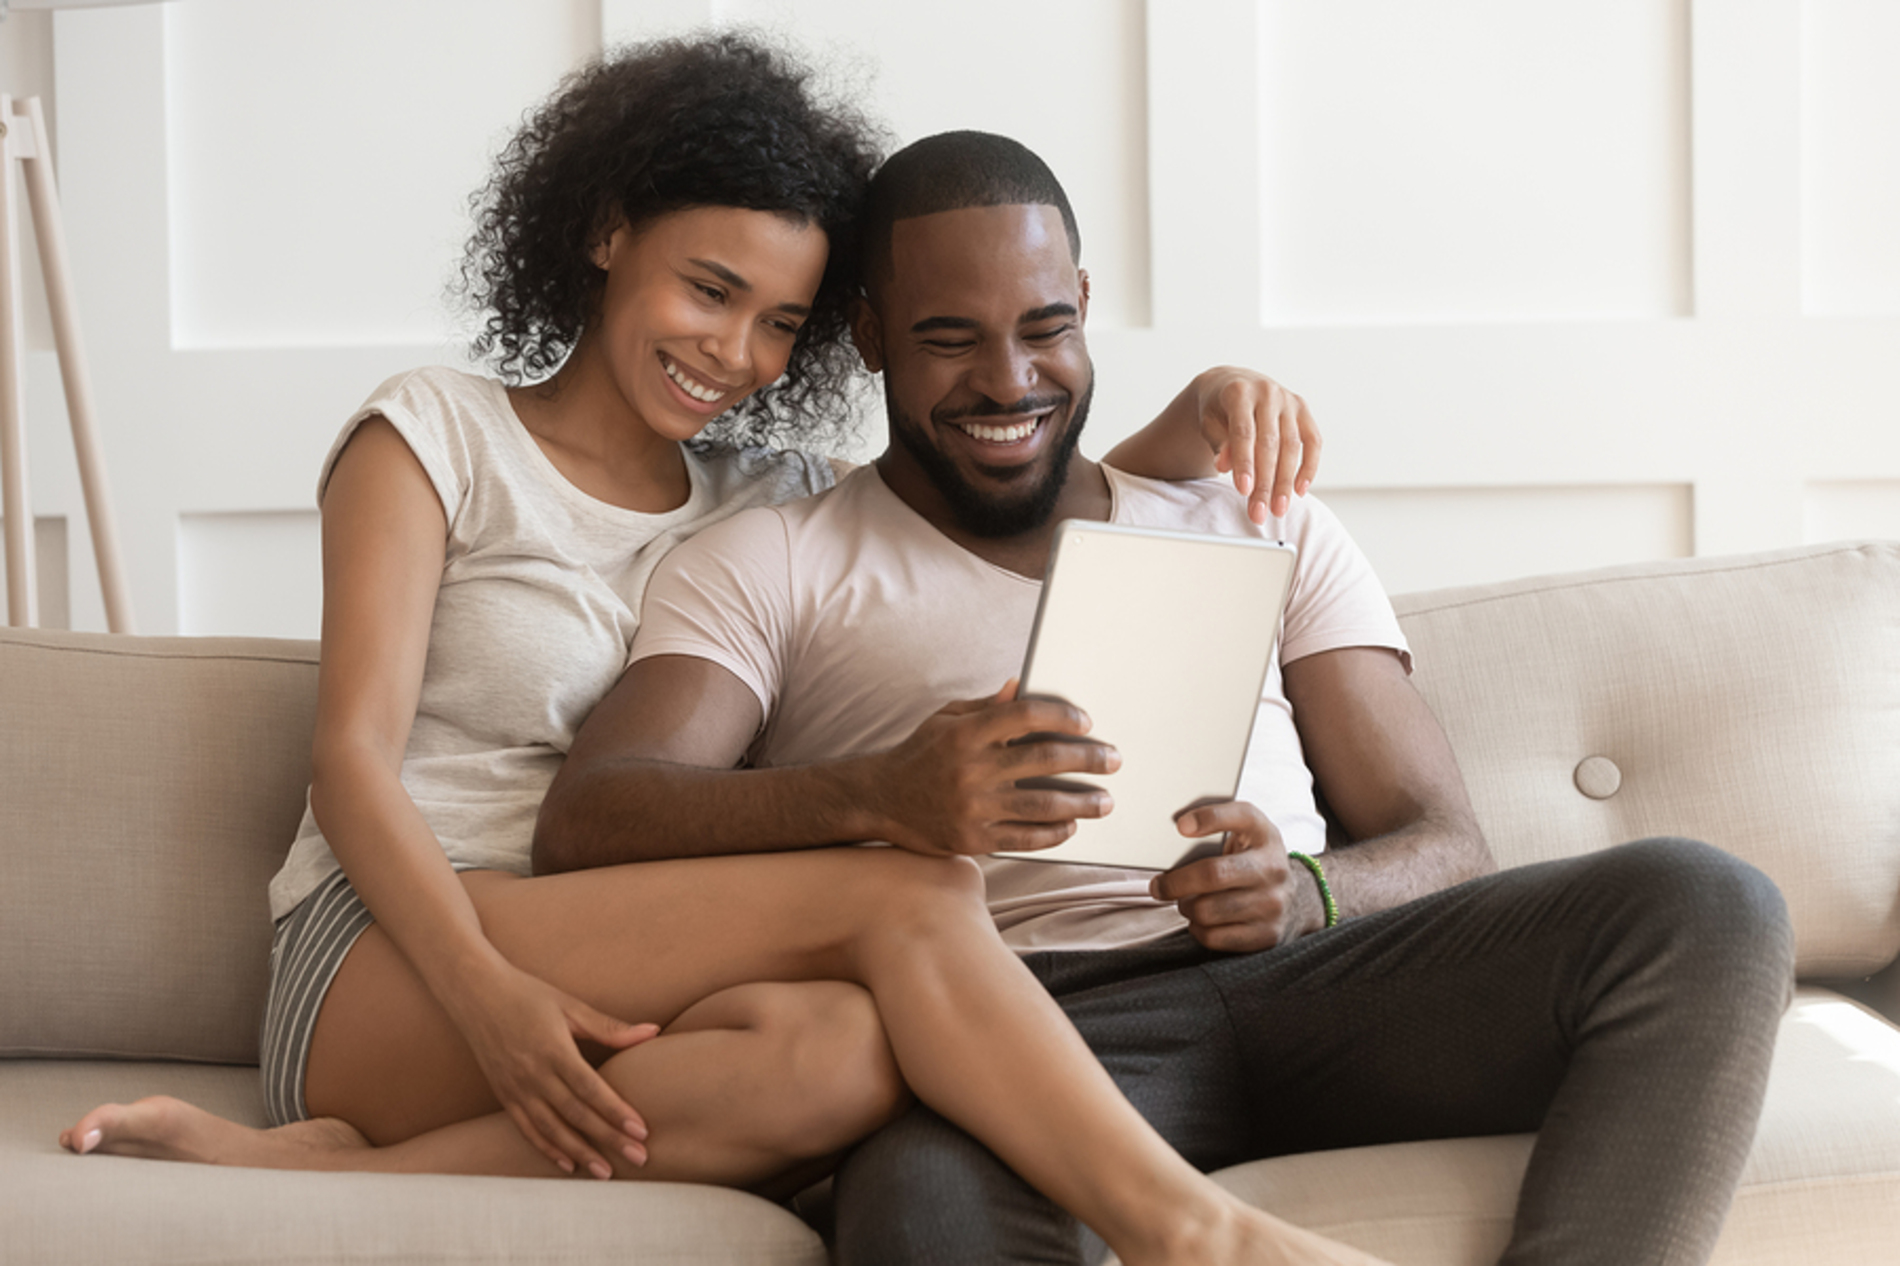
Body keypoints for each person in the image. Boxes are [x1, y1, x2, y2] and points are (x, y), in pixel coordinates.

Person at [58, 34, 1385, 1266]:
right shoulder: (436, 435)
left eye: (779, 322)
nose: (734, 353)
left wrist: (1196, 420)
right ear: (603, 230)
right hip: (401, 951)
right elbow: (350, 763)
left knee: (850, 1056)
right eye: (709, 289)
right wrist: (491, 994)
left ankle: (335, 1176)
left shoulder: (769, 493)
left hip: (625, 954)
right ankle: (1193, 1230)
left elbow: (1019, 461)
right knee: (910, 887)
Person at [533, 130, 1798, 1266]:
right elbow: (592, 817)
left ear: (1085, 306)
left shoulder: (1255, 515)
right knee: (917, 1207)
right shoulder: (775, 561)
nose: (1007, 382)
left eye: (1042, 327)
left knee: (1705, 901)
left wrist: (1308, 891)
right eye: (946, 339)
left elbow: (1445, 843)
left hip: (1328, 983)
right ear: (867, 336)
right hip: (1039, 1032)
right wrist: (883, 796)